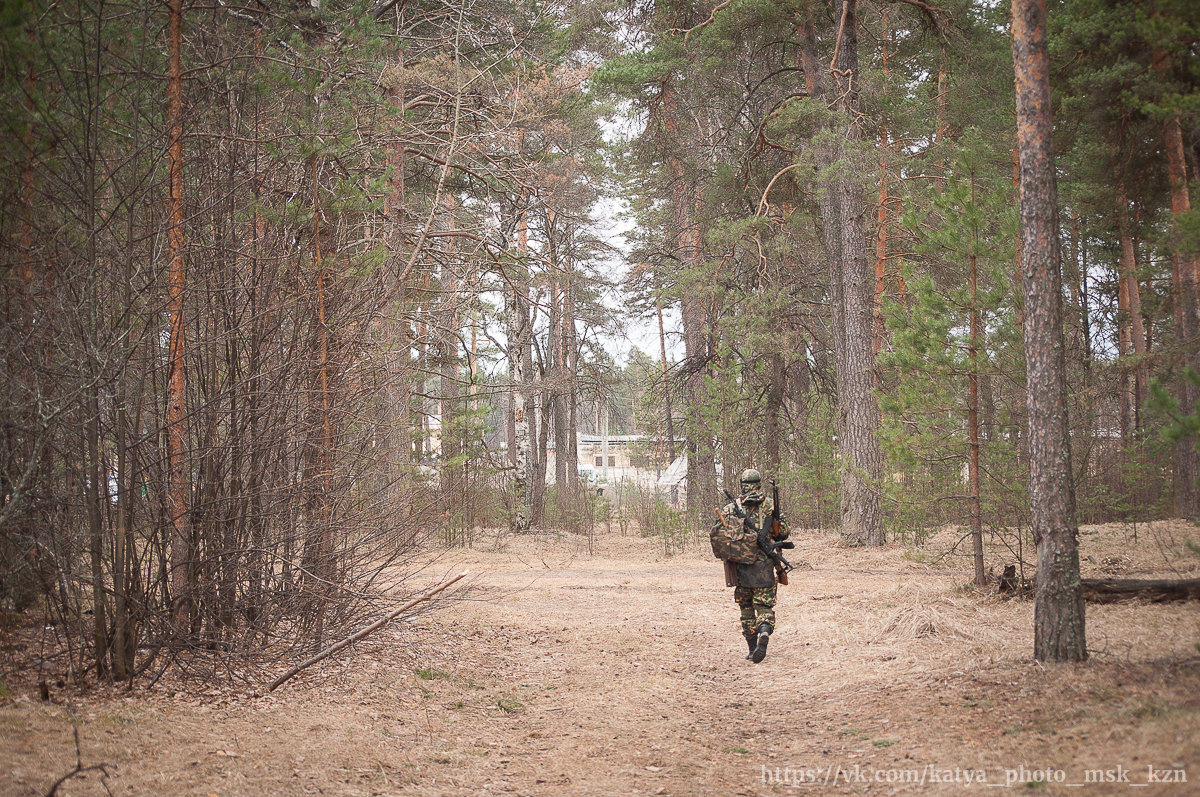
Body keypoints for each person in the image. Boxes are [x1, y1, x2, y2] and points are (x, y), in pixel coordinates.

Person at [716, 468, 789, 663]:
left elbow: (721, 535)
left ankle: (751, 648)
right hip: (765, 565)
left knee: (746, 608)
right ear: (759, 483)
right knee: (764, 605)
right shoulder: (771, 505)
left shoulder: (730, 508)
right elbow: (784, 533)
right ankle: (764, 632)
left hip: (741, 566)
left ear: (742, 485)